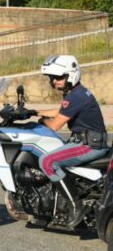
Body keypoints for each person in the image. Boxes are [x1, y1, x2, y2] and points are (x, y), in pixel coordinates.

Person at [36, 55, 109, 228]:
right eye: (52, 78)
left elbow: (54, 125)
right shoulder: (77, 93)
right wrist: (34, 111)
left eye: (59, 77)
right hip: (88, 141)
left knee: (46, 161)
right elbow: (61, 111)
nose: (54, 82)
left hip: (88, 145)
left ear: (71, 75)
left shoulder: (74, 96)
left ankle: (75, 205)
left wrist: (39, 121)